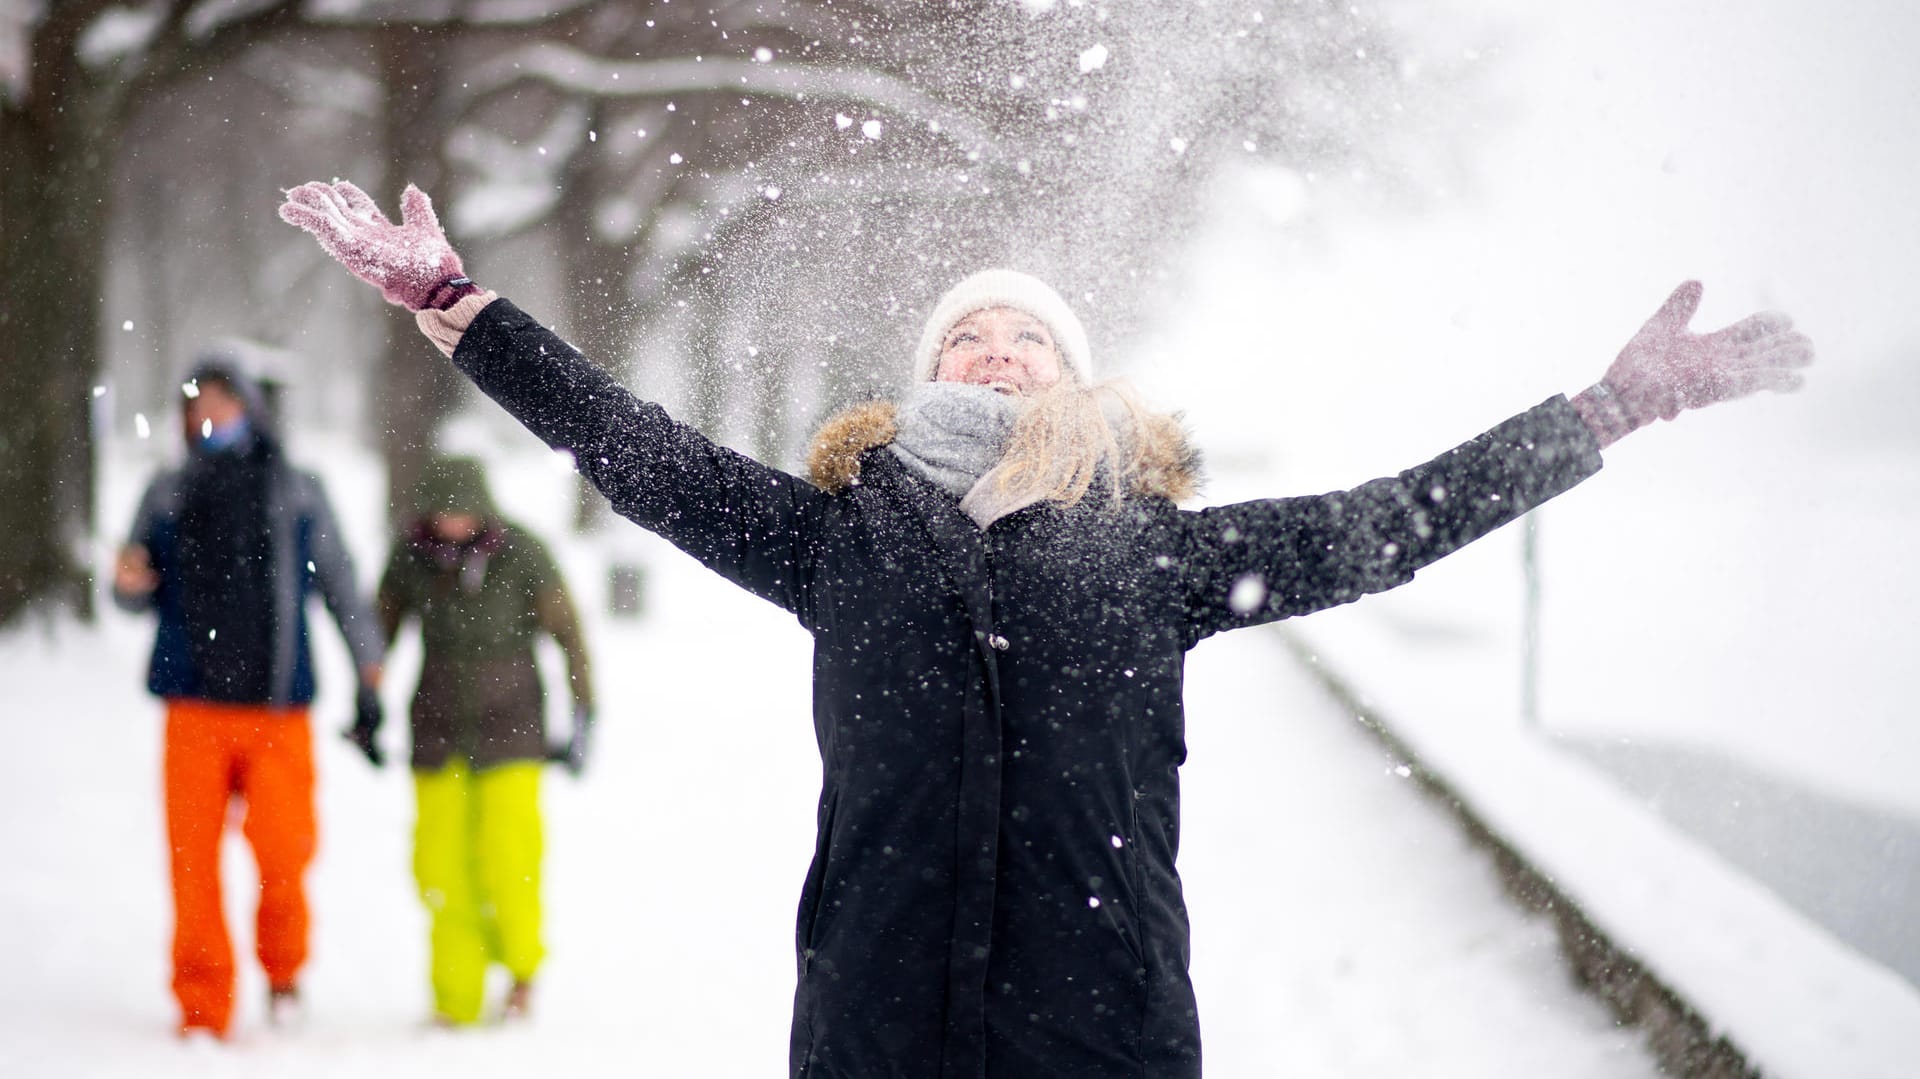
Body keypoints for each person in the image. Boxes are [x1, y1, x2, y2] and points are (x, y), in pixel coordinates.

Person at [280, 181, 1812, 1077]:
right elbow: (635, 445)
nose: (997, 347)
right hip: (875, 1017)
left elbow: (1387, 522)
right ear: (928, 370)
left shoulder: (1152, 552)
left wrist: (1603, 410)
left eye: (1027, 336)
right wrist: (467, 310)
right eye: (968, 333)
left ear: (1074, 378)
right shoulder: (838, 537)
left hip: (1107, 1028)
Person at [112, 355, 385, 1039]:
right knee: (193, 865)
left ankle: (284, 967)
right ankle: (203, 1005)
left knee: (285, 852)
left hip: (276, 707)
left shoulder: (294, 489)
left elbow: (341, 583)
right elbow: (129, 586)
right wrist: (129, 582)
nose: (207, 416)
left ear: (251, 409)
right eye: (195, 405)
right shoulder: (167, 490)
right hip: (192, 707)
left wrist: (369, 664)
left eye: (221, 402)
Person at [351, 455, 595, 1027]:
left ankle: (520, 971)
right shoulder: (410, 559)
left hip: (513, 730)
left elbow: (570, 635)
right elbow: (376, 634)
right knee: (439, 868)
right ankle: (454, 998)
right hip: (436, 731)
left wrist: (586, 714)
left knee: (511, 861)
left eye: (463, 512)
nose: (452, 523)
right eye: (442, 512)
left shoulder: (524, 554)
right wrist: (367, 705)